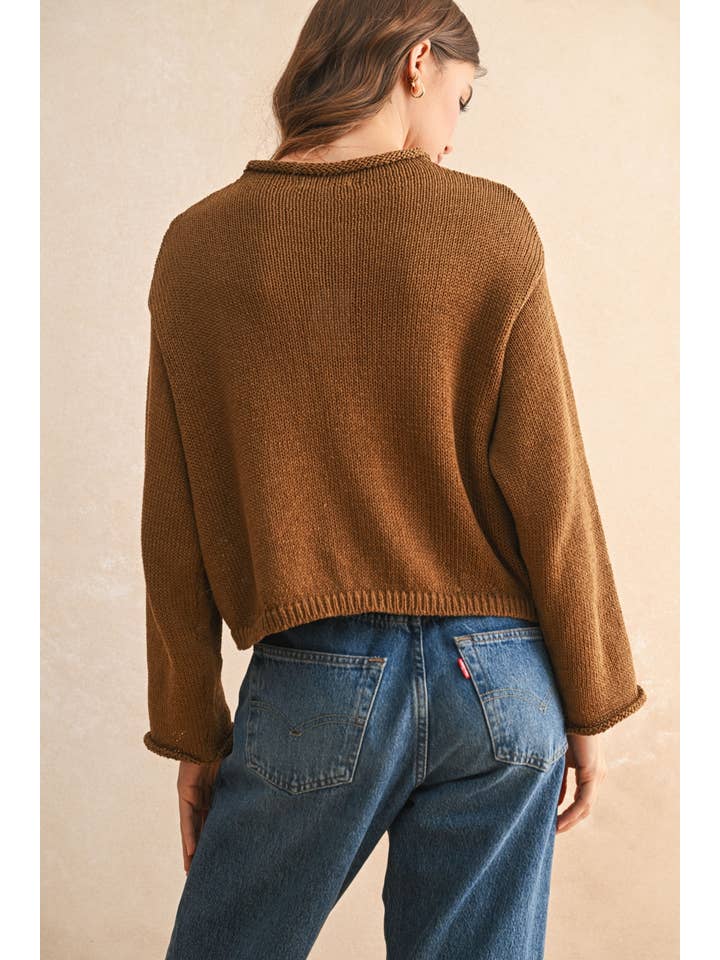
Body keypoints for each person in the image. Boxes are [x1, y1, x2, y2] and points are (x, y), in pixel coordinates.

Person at [140, 1, 648, 957]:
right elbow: (553, 486)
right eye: (460, 101)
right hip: (503, 684)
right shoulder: (489, 224)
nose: (452, 139)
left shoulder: (199, 245)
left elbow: (174, 517)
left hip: (317, 682)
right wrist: (590, 699)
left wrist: (192, 729)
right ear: (418, 63)